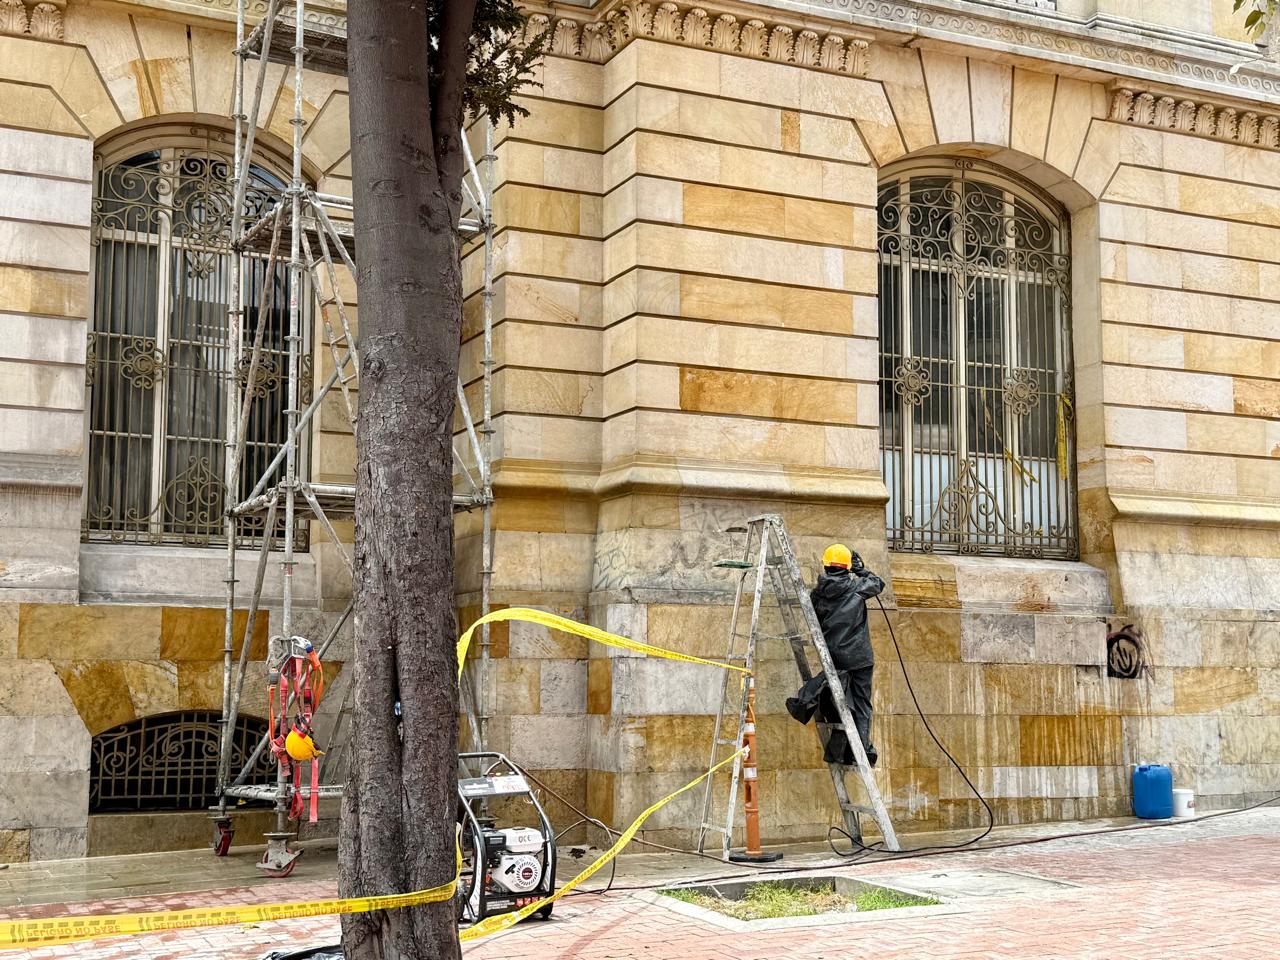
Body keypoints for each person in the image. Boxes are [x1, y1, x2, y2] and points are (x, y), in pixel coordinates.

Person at [807, 543, 884, 767]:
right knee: (860, 703)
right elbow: (878, 583)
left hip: (834, 658)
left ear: (826, 566)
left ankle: (843, 749)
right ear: (847, 567)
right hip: (859, 658)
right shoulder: (857, 588)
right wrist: (860, 570)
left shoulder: (817, 594)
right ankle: (858, 751)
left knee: (840, 703)